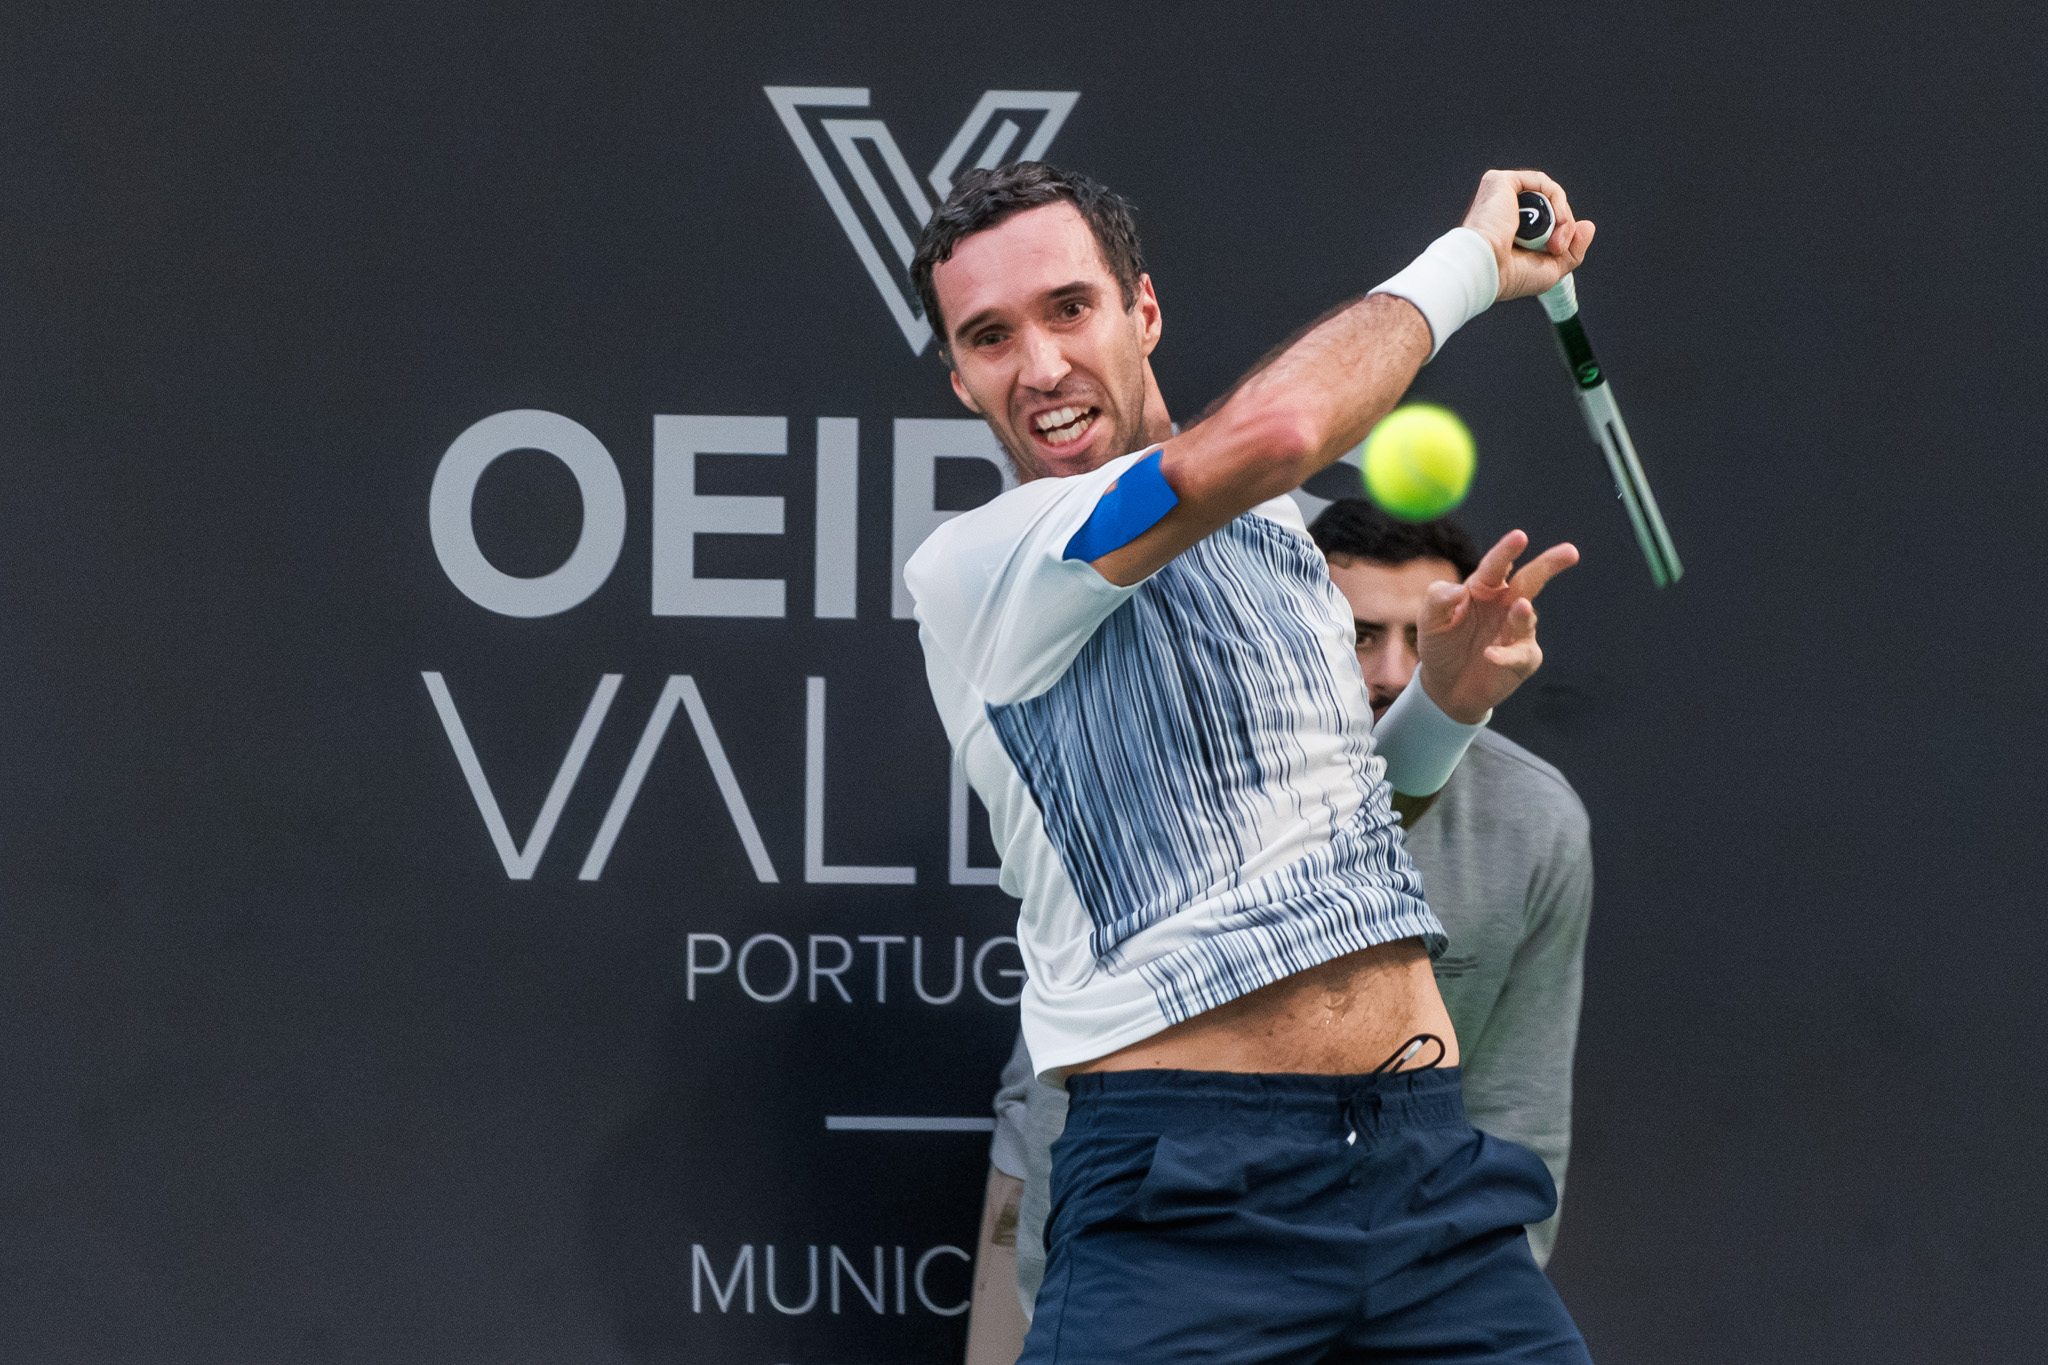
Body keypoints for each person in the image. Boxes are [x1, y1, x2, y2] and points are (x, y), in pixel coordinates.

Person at [905, 159, 1593, 1363]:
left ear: (1143, 312)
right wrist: (1471, 263)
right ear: (959, 379)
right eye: (990, 336)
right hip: (1186, 1200)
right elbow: (1279, 428)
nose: (1041, 366)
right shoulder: (982, 561)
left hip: (1420, 1165)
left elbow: (1341, 837)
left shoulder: (1274, 537)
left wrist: (1441, 705)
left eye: (1069, 309)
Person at [964, 501, 1595, 1363]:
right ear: (1292, 628)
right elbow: (1061, 1105)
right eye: (1360, 634)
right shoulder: (1177, 777)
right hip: (1116, 1218)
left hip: (1404, 1225)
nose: (1391, 670)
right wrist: (1084, 1311)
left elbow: (1521, 1112)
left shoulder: (1536, 821)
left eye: (1421, 636)